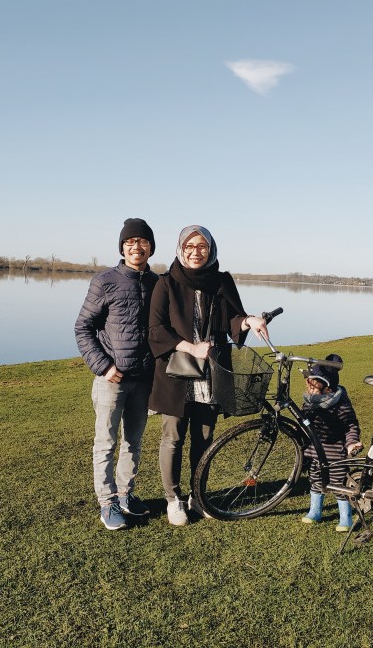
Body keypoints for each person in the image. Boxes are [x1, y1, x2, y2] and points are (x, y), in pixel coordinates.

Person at [148, 225, 269, 526]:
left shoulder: (221, 281)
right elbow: (155, 330)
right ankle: (173, 499)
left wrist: (249, 321)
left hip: (211, 373)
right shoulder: (166, 283)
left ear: (211, 249)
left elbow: (233, 320)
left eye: (202, 246)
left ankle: (197, 496)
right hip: (175, 373)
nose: (196, 252)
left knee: (204, 438)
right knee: (173, 437)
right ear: (181, 249)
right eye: (189, 246)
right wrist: (191, 347)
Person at [74, 218, 159, 530]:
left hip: (143, 379)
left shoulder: (157, 283)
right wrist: (103, 366)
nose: (136, 247)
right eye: (130, 242)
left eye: (143, 241)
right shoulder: (105, 281)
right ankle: (107, 502)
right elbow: (83, 328)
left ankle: (125, 494)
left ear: (151, 247)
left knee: (133, 442)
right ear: (122, 247)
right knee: (106, 443)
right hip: (111, 379)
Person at [300, 354, 363, 532]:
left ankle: (345, 518)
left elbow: (350, 425)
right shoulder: (310, 402)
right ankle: (315, 511)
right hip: (314, 453)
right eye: (309, 385)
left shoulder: (339, 405)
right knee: (315, 481)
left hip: (334, 454)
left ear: (328, 389)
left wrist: (352, 443)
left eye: (314, 387)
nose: (310, 390)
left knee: (338, 485)